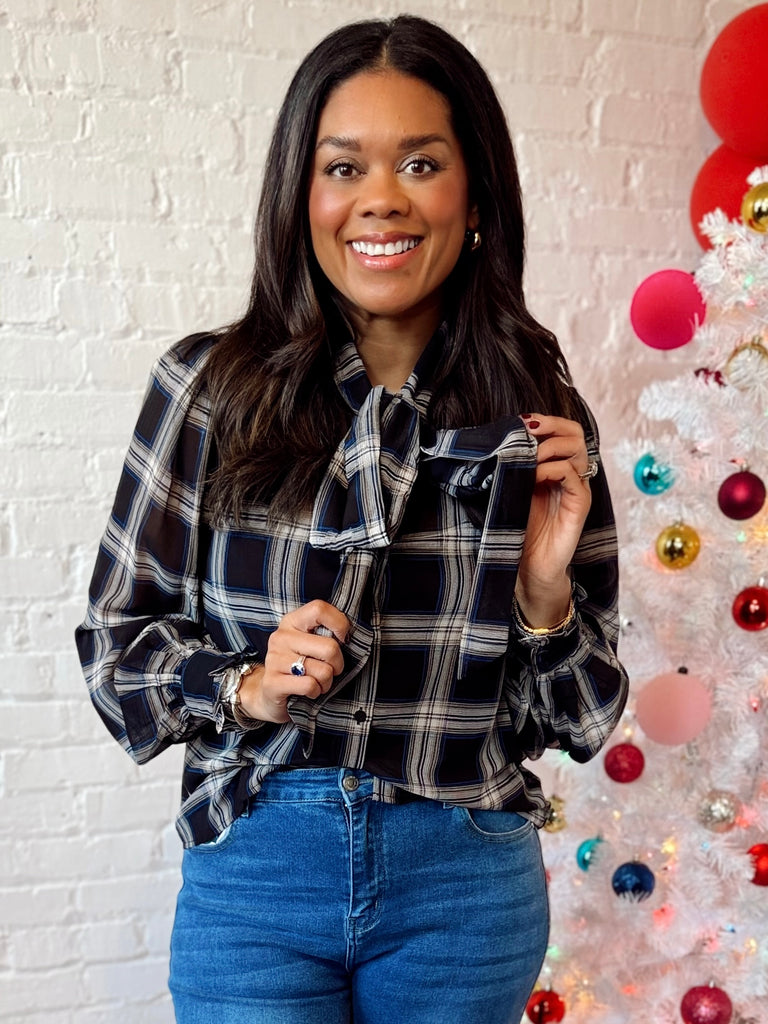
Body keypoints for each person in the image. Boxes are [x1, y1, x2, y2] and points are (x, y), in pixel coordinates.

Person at [76, 14, 628, 1024]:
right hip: (260, 875)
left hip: (465, 880)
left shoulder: (539, 416)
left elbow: (586, 719)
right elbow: (115, 656)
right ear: (302, 195)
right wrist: (243, 683)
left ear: (474, 199)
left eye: (421, 162)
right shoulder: (208, 391)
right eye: (345, 167)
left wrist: (545, 597)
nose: (381, 198)